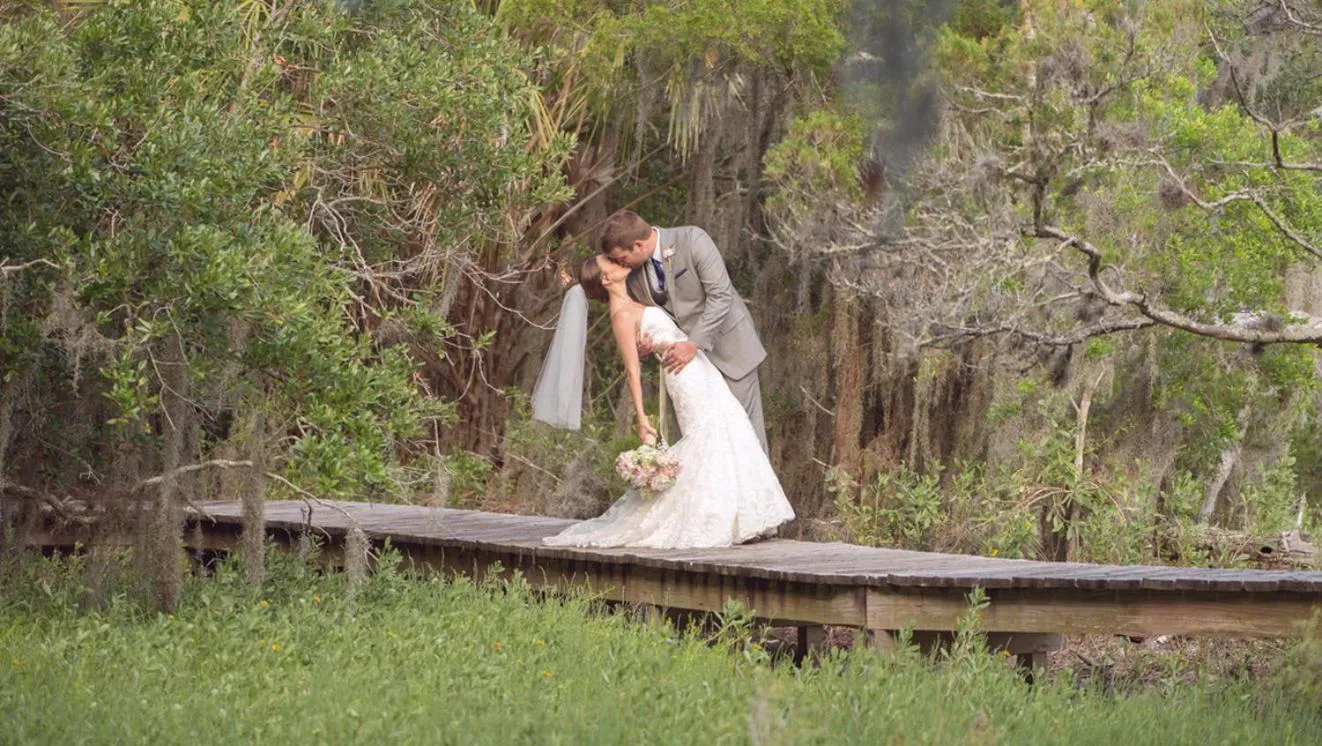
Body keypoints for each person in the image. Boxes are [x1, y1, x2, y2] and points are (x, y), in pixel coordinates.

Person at [535, 255, 794, 549]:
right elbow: (631, 370)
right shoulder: (621, 315)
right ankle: (712, 517)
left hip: (699, 366)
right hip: (684, 375)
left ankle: (742, 517)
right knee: (709, 435)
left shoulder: (636, 297)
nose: (616, 260)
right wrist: (642, 417)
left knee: (731, 428)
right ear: (607, 280)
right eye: (609, 262)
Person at [600, 210, 770, 453]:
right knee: (700, 447)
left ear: (638, 245)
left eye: (622, 257)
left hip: (731, 354)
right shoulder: (633, 276)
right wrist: (647, 345)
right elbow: (653, 318)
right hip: (688, 373)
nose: (620, 263)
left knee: (746, 441)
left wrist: (693, 344)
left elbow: (721, 297)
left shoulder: (692, 240)